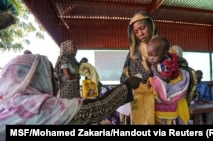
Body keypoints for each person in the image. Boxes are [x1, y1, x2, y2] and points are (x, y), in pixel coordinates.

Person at [0, 54, 141, 140]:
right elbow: (97, 109)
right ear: (36, 78)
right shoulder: (37, 107)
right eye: (51, 76)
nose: (56, 81)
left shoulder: (5, 104)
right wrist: (126, 86)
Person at [119, 10, 157, 124]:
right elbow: (125, 75)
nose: (140, 33)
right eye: (136, 31)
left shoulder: (163, 46)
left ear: (151, 25)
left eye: (142, 28)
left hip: (158, 99)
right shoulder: (133, 52)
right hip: (137, 97)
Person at [147, 35, 190, 125]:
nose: (150, 58)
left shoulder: (166, 64)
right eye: (149, 55)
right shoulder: (157, 61)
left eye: (153, 56)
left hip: (169, 84)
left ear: (164, 53)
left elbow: (166, 79)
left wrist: (155, 71)